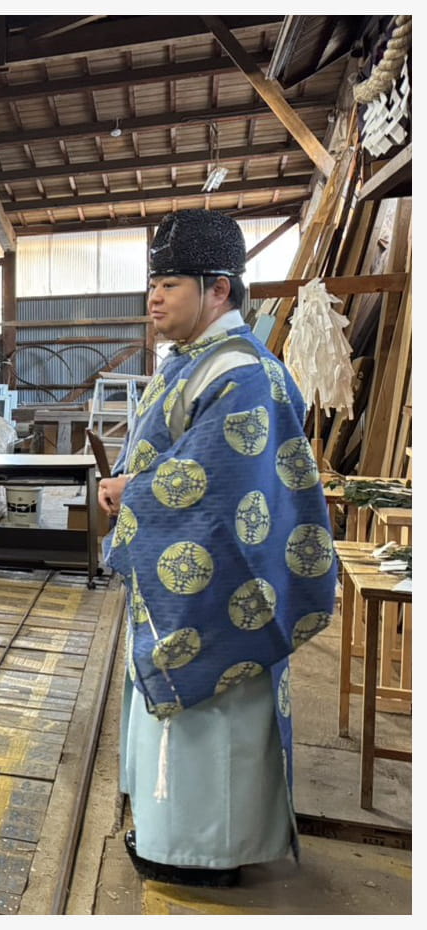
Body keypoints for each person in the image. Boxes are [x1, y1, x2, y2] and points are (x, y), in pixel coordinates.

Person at [99, 209, 337, 886]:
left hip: (222, 588)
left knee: (216, 728)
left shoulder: (242, 373)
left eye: (171, 283)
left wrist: (131, 494)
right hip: (181, 581)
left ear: (220, 291)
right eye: (155, 283)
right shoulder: (198, 363)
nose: (154, 297)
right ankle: (175, 838)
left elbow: (217, 488)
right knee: (183, 731)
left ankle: (208, 853)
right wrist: (132, 485)